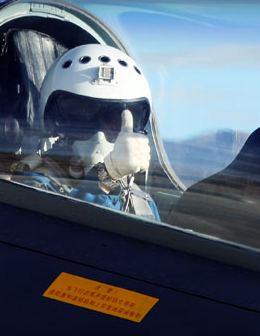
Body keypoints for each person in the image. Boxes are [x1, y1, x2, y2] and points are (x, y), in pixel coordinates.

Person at [12, 44, 160, 221]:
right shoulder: (33, 186)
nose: (99, 136)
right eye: (81, 116)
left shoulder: (142, 205)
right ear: (56, 123)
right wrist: (107, 176)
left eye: (114, 121)